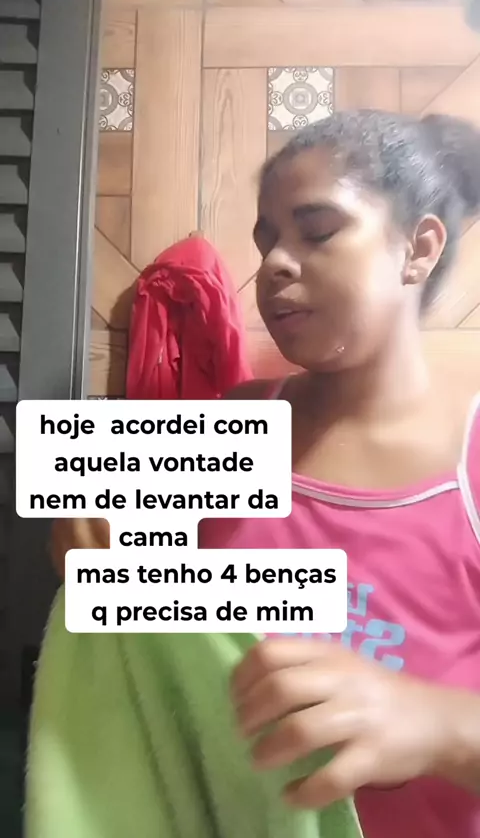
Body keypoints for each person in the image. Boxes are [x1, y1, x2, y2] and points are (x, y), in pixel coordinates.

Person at [50, 110, 480, 838]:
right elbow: (101, 585)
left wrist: (435, 723)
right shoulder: (236, 417)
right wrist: (87, 534)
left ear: (418, 247)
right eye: (266, 239)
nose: (275, 263)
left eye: (318, 231)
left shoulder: (469, 461)